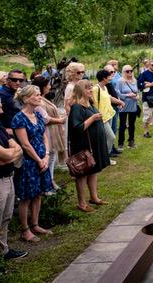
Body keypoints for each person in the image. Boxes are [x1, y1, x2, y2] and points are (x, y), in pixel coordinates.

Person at [11, 85, 54, 243]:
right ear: (26, 98)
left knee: (38, 194)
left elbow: (44, 136)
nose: (39, 97)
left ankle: (35, 224)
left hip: (43, 159)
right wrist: (38, 160)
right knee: (27, 197)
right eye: (36, 95)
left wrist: (47, 156)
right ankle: (25, 229)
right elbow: (26, 144)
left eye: (39, 94)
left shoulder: (38, 115)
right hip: (29, 162)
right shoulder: (19, 118)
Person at [0, 94, 27, 259]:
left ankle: (3, 250)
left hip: (8, 177)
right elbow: (5, 153)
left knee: (6, 217)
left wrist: (9, 156)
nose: (1, 110)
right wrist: (10, 154)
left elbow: (16, 148)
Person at [68, 80, 110, 212]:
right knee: (83, 173)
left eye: (91, 88)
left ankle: (94, 197)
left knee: (94, 170)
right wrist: (92, 119)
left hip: (94, 144)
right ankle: (81, 203)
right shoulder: (77, 107)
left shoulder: (90, 104)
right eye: (88, 89)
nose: (91, 90)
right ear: (81, 91)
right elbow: (77, 128)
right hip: (83, 145)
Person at [32, 77, 66, 190]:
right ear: (43, 86)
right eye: (48, 85)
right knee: (50, 156)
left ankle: (50, 180)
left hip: (52, 130)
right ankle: (48, 183)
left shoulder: (43, 99)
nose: (50, 87)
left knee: (52, 156)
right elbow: (45, 118)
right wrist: (60, 120)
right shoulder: (38, 102)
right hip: (47, 131)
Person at [93, 70, 119, 165]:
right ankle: (104, 158)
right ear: (104, 78)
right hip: (101, 118)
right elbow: (93, 103)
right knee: (111, 137)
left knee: (106, 138)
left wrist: (119, 102)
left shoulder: (105, 88)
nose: (111, 77)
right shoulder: (96, 89)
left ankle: (105, 158)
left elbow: (109, 98)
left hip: (109, 115)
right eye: (109, 76)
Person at [116, 65, 139, 149]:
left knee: (132, 124)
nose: (129, 72)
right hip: (124, 106)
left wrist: (137, 96)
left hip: (133, 105)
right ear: (123, 72)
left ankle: (131, 141)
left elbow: (137, 91)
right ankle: (120, 143)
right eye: (127, 71)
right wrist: (128, 95)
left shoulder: (134, 80)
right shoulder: (120, 81)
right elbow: (118, 94)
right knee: (122, 125)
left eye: (131, 71)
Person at [104, 65, 125, 156]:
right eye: (110, 72)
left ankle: (112, 147)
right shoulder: (105, 85)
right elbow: (110, 98)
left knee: (114, 128)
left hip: (115, 108)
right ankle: (108, 150)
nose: (113, 74)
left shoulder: (110, 83)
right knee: (111, 131)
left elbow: (115, 94)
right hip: (110, 109)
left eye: (113, 72)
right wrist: (119, 102)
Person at [138, 60, 153, 138]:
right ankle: (146, 132)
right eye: (152, 65)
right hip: (147, 98)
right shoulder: (144, 74)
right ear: (148, 65)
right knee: (147, 116)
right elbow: (139, 85)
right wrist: (150, 84)